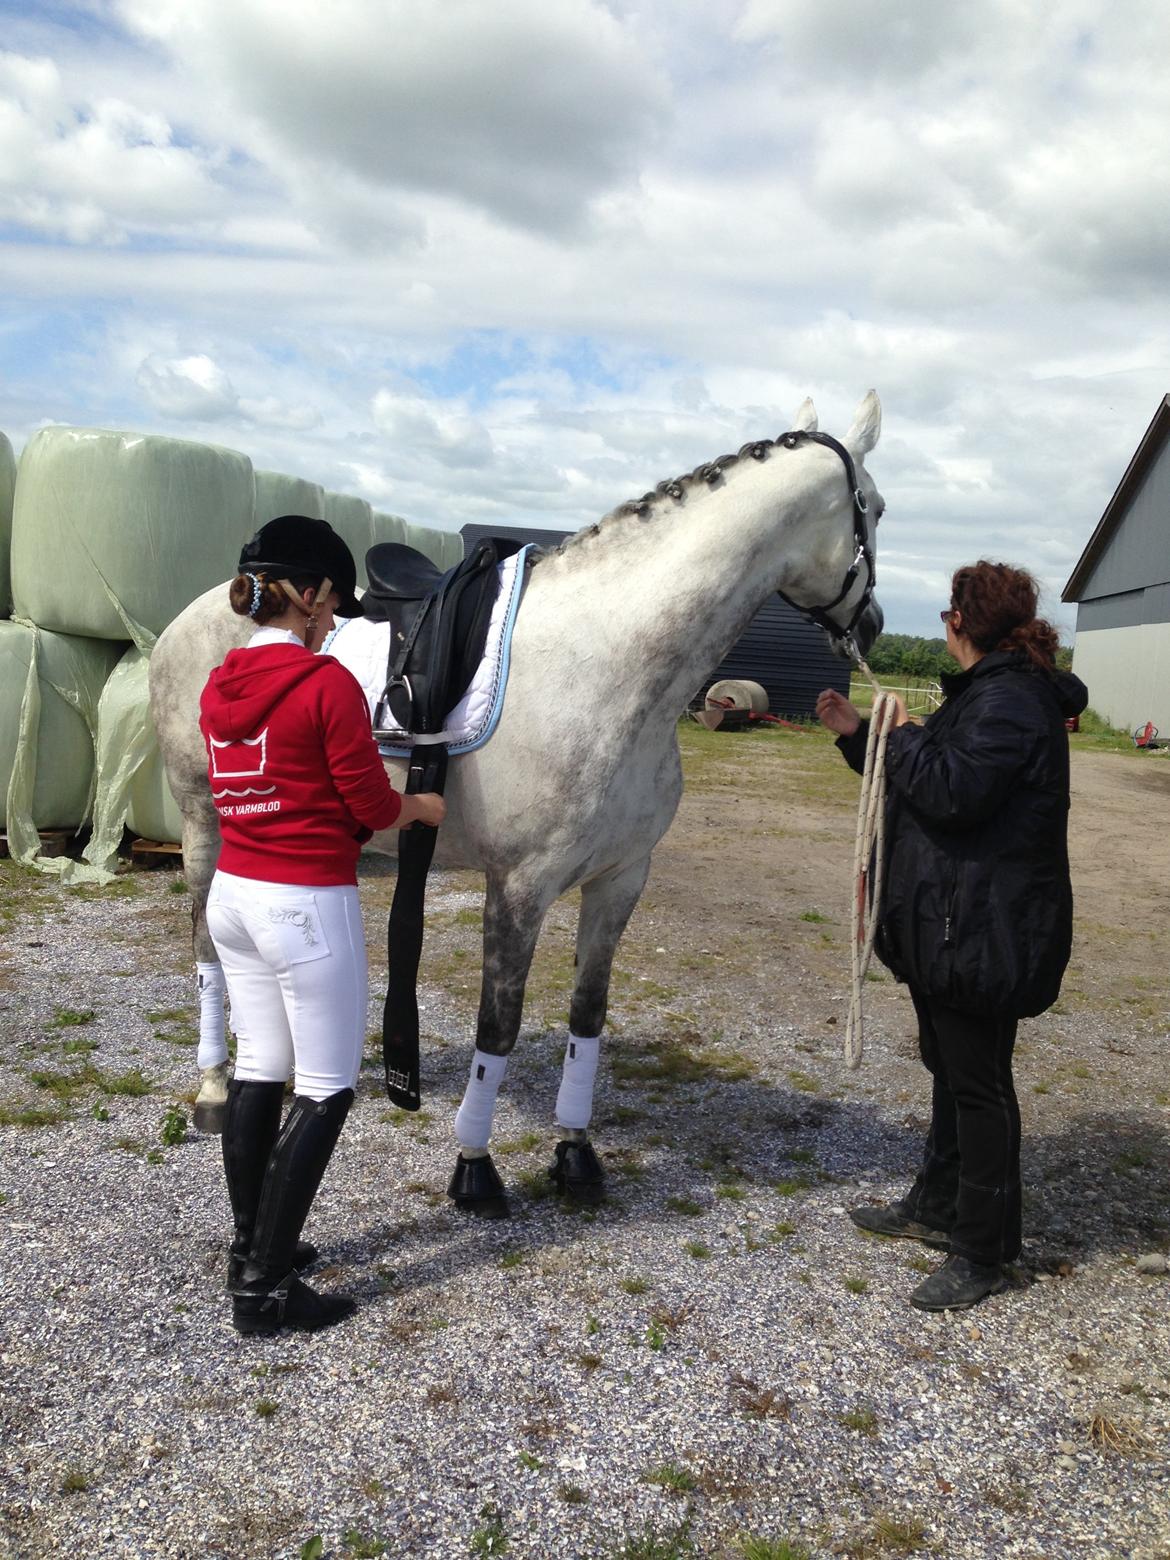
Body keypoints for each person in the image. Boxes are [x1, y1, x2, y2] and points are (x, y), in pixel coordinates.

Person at [817, 560, 1088, 1312]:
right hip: (955, 925)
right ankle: (938, 1207)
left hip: (985, 928)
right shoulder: (991, 697)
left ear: (958, 624)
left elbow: (953, 790)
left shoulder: (1010, 703)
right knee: (950, 1068)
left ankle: (985, 1249)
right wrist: (858, 738)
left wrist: (900, 734)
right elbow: (934, 774)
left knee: (978, 1084)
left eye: (946, 616)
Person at [199, 515, 445, 1335]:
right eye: (331, 600)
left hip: (234, 894)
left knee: (261, 1066)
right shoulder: (325, 684)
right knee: (328, 1086)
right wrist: (420, 806)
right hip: (303, 902)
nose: (334, 617)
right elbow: (371, 808)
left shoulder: (220, 681)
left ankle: (252, 1247)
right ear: (304, 595)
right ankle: (264, 1288)